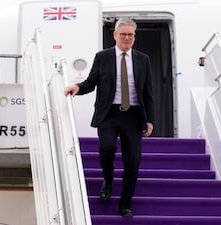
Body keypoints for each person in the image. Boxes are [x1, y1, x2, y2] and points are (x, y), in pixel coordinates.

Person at [64, 18, 154, 217]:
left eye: (130, 34)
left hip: (133, 115)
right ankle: (108, 179)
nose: (127, 38)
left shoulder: (142, 59)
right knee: (107, 148)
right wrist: (77, 88)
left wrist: (150, 120)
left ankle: (125, 203)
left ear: (134, 36)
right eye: (123, 34)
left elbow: (148, 93)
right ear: (115, 35)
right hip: (109, 113)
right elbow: (91, 81)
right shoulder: (102, 57)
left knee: (133, 160)